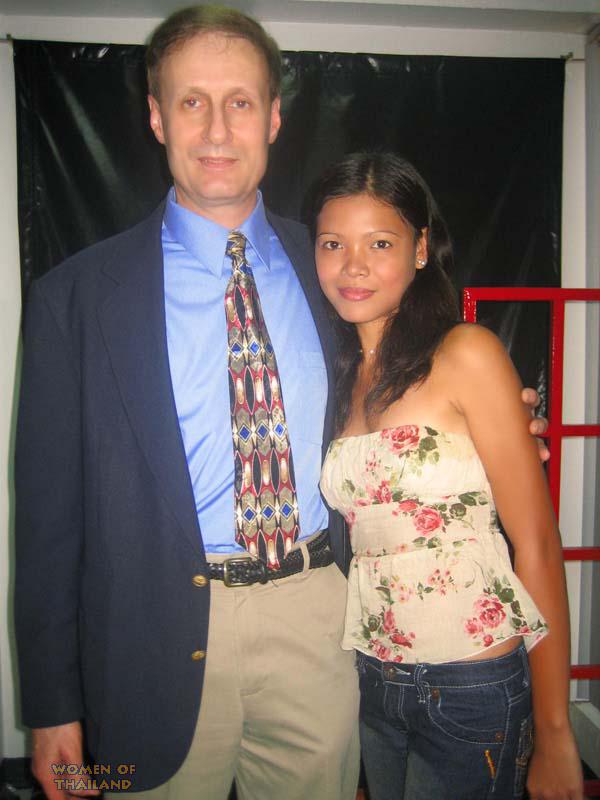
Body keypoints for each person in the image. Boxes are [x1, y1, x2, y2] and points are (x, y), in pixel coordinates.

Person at [14, 7, 547, 800]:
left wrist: (498, 424)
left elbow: (423, 379)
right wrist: (52, 710)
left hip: (319, 621)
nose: (217, 128)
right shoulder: (75, 298)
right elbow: (47, 520)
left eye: (240, 102)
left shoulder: (334, 265)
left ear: (273, 118)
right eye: (192, 101)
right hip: (149, 637)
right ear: (156, 117)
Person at [314, 151, 583, 800]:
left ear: (420, 248)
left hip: (470, 681)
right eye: (333, 244)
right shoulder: (337, 378)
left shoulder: (466, 353)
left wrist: (556, 731)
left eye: (380, 242)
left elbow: (536, 543)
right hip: (372, 677)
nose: (353, 265)